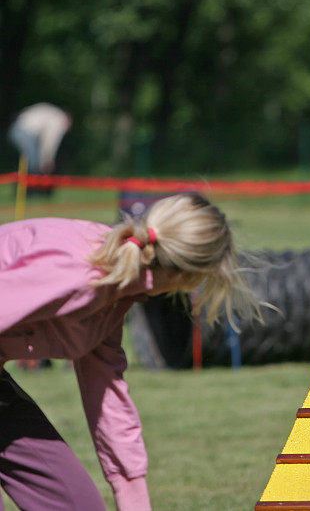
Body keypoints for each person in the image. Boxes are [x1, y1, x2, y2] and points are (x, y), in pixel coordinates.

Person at [0, 193, 262, 510]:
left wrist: (133, 497)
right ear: (187, 278)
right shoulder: (81, 273)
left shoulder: (116, 289)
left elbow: (106, 394)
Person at [7, 103, 72, 174]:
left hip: (16, 130)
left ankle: (24, 181)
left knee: (31, 160)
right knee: (34, 163)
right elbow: (50, 141)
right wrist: (48, 160)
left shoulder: (53, 112)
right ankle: (30, 182)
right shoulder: (60, 119)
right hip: (24, 133)